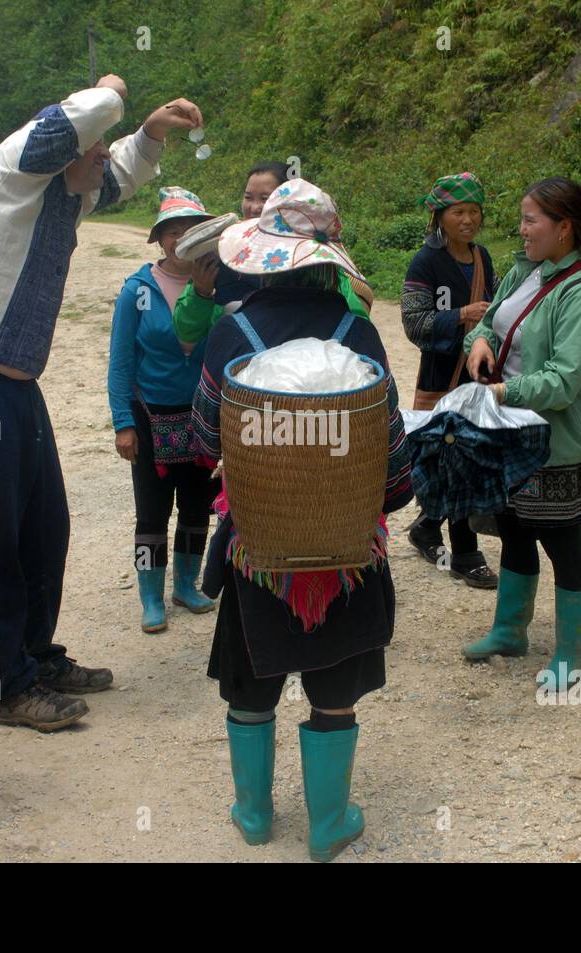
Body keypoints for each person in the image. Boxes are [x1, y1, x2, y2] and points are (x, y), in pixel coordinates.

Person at [0, 74, 203, 730]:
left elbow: (119, 172)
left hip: (18, 386)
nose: (102, 156)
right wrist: (114, 89)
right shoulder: (10, 173)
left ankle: (38, 655)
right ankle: (9, 685)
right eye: (94, 146)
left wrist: (152, 131)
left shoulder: (63, 195)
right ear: (64, 148)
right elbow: (77, 120)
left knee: (46, 529)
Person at [192, 179, 413, 862]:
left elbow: (206, 438)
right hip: (345, 552)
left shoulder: (233, 332)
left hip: (258, 547)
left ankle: (254, 812)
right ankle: (327, 823)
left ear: (261, 257)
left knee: (249, 685)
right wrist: (379, 500)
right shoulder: (362, 334)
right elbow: (395, 461)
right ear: (328, 261)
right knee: (335, 691)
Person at [462, 177, 581, 693]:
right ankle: (509, 631)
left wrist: (501, 392)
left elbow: (565, 380)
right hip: (511, 435)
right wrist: (478, 344)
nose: (521, 229)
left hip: (557, 443)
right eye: (522, 219)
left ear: (564, 227)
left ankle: (570, 652)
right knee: (515, 531)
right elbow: (489, 324)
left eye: (532, 220)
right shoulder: (524, 271)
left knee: (563, 543)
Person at [108, 187, 219, 633]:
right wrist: (122, 423)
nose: (181, 239)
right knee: (151, 514)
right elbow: (120, 363)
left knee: (197, 507)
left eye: (191, 230)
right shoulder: (137, 291)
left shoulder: (216, 285)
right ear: (159, 240)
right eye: (173, 232)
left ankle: (187, 586)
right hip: (150, 418)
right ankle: (150, 597)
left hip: (201, 416)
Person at [401, 172, 498, 588]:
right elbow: (413, 322)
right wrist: (460, 316)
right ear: (440, 217)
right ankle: (465, 553)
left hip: (476, 375)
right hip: (441, 376)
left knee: (464, 458)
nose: (468, 220)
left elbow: (492, 312)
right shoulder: (425, 263)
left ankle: (427, 526)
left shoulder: (483, 259)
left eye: (474, 212)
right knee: (455, 459)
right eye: (459, 212)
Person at [170, 162, 369, 350]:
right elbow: (187, 333)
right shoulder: (223, 255)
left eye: (265, 199)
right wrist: (200, 294)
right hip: (236, 371)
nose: (254, 207)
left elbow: (356, 325)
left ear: (286, 204)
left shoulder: (317, 264)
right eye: (248, 197)